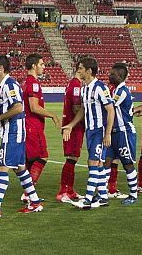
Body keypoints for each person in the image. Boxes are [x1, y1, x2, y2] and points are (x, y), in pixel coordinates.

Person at [0, 55, 43, 219]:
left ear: (1, 68)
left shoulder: (9, 85)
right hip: (14, 132)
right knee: (20, 168)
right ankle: (35, 202)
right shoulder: (5, 85)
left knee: (2, 168)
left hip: (13, 133)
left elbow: (18, 108)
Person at [61, 57, 114, 209]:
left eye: (81, 68)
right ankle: (103, 197)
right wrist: (71, 125)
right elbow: (83, 110)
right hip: (90, 130)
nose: (79, 71)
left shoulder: (100, 88)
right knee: (98, 164)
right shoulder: (84, 88)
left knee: (93, 163)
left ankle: (88, 200)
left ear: (89, 71)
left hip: (99, 131)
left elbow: (111, 110)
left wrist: (108, 133)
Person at [21, 53, 59, 201]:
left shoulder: (28, 82)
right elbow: (34, 107)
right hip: (33, 126)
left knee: (30, 160)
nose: (44, 67)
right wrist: (52, 115)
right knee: (42, 156)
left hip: (28, 125)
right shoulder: (33, 83)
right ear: (34, 65)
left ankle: (28, 193)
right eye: (41, 64)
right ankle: (28, 193)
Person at [104, 63, 139, 205]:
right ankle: (102, 193)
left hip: (124, 132)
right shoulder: (116, 90)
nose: (109, 76)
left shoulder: (122, 91)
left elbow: (110, 106)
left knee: (127, 163)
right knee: (106, 161)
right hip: (113, 132)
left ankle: (133, 195)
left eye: (112, 74)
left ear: (119, 76)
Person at [57, 63, 84, 203]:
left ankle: (70, 190)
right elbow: (76, 108)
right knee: (71, 158)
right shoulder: (76, 85)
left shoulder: (72, 84)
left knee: (73, 158)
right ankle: (64, 191)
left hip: (71, 125)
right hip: (73, 127)